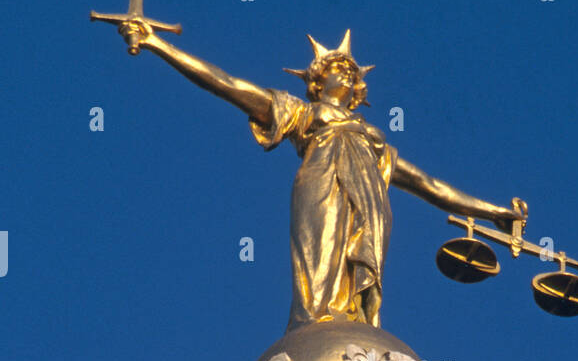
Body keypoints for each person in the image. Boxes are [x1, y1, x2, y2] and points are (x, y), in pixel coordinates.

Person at [118, 23, 517, 327]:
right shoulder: (303, 114)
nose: (347, 73)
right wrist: (158, 44)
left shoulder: (373, 143)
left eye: (350, 71)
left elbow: (430, 186)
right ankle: (315, 328)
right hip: (321, 187)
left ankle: (351, 324)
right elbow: (226, 84)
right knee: (320, 267)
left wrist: (493, 211)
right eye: (337, 68)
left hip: (369, 206)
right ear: (317, 79)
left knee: (353, 275)